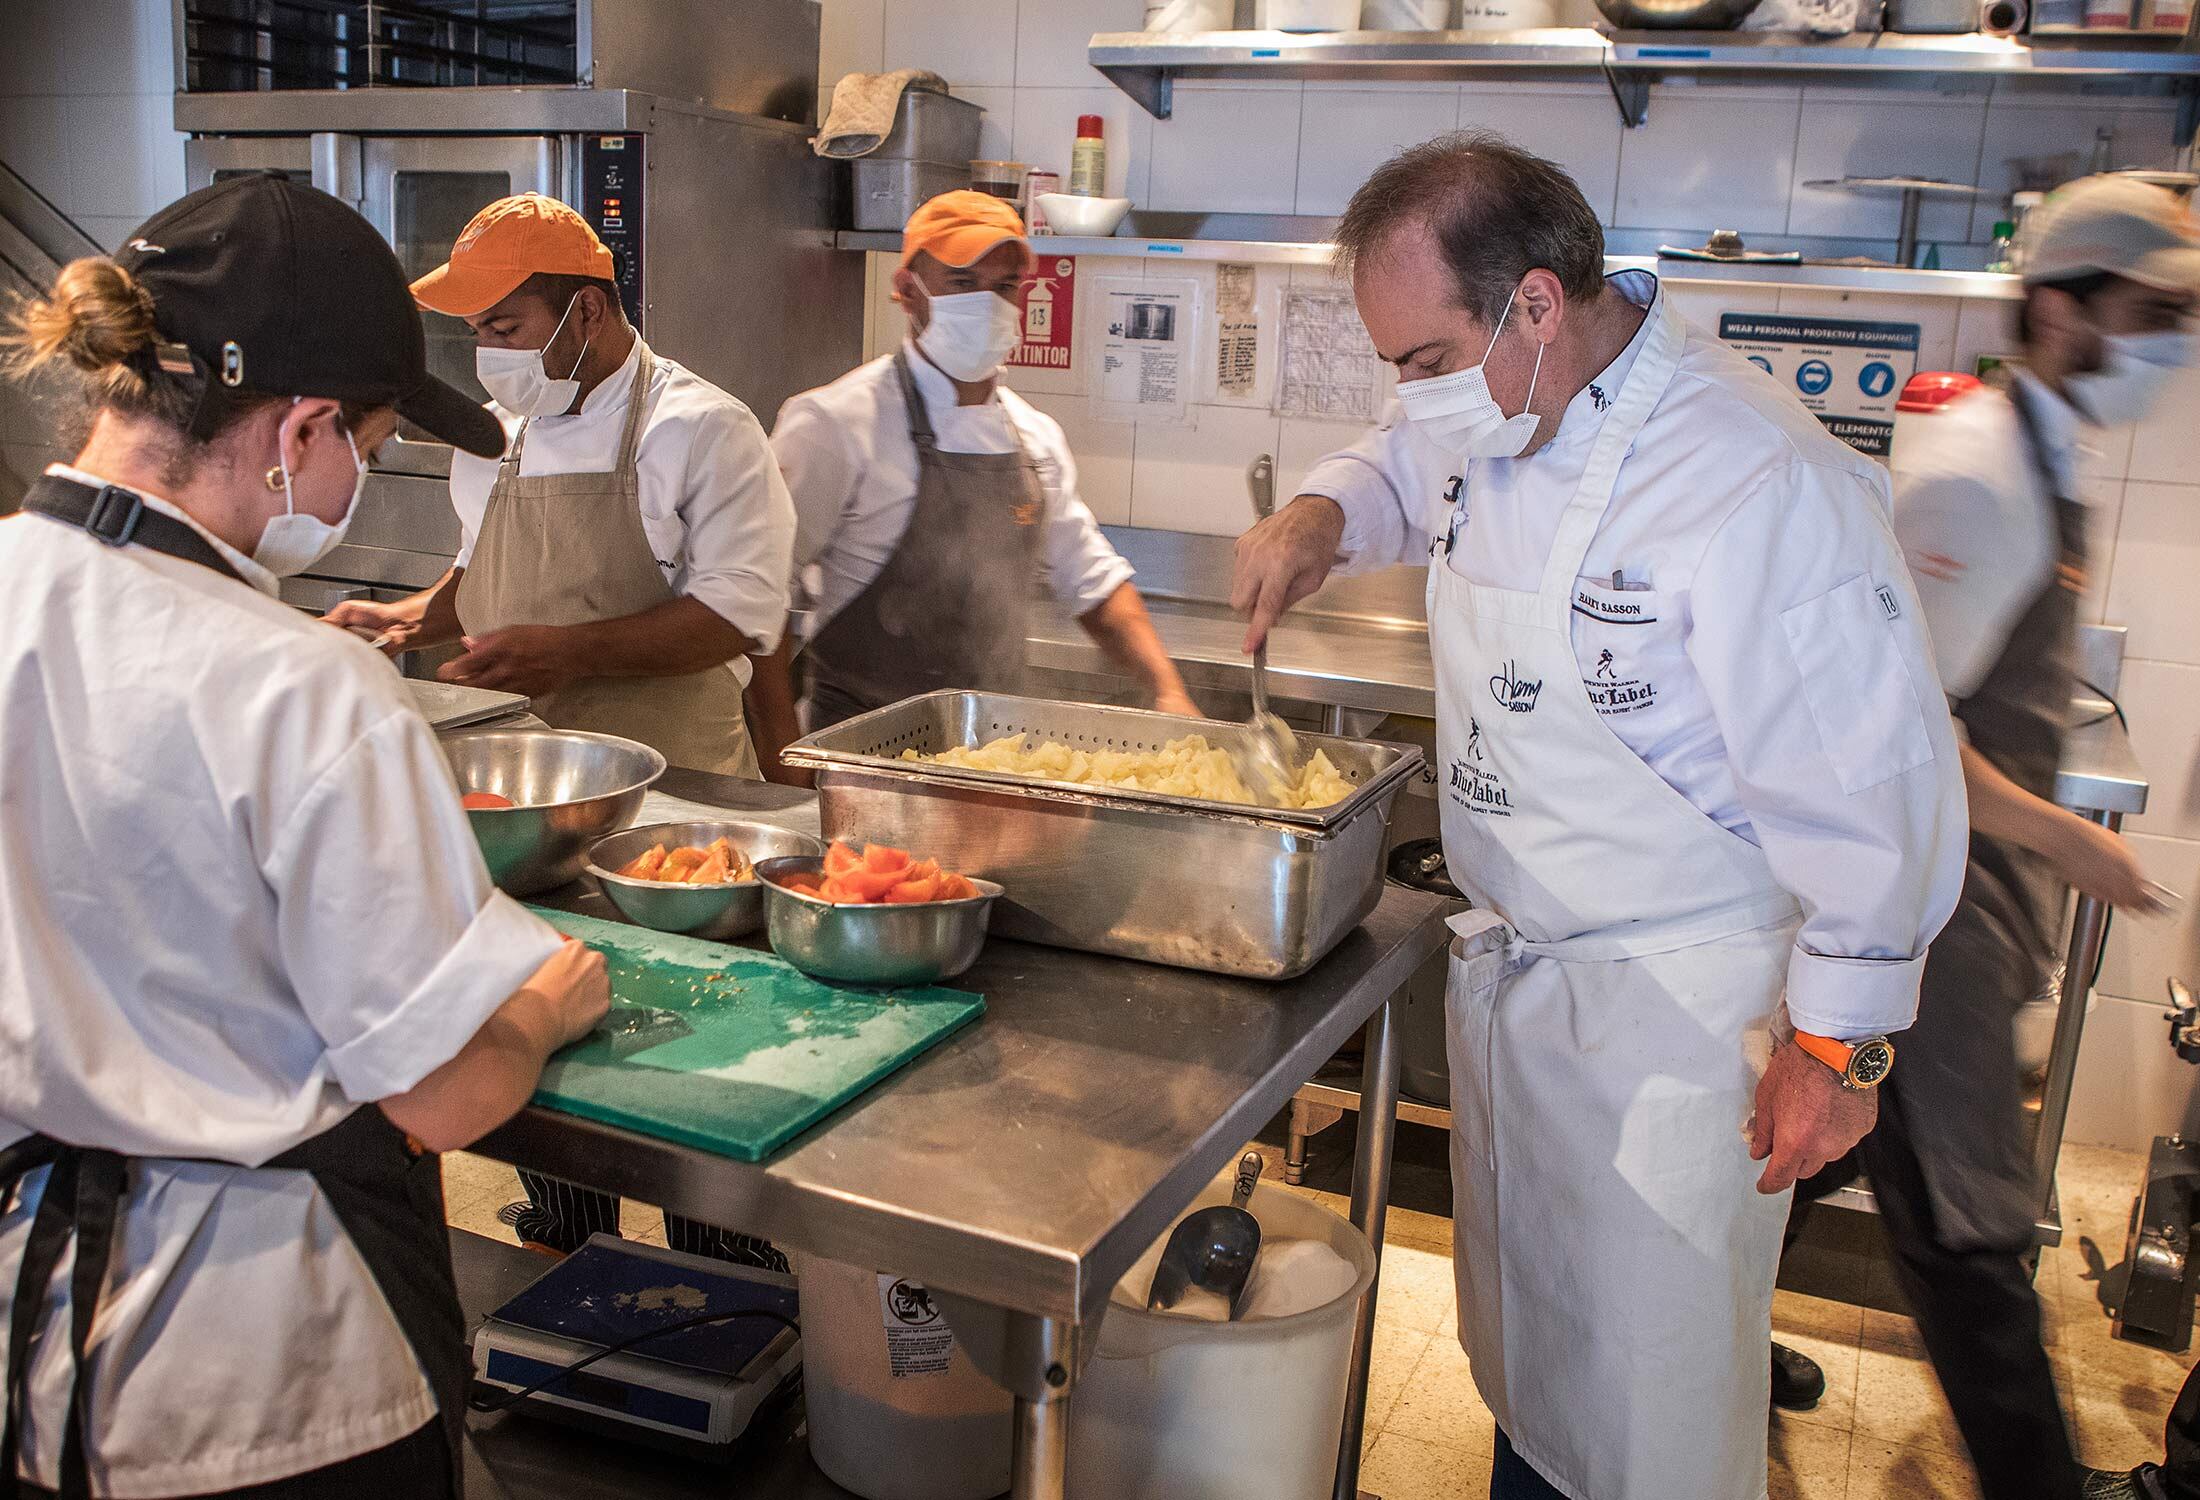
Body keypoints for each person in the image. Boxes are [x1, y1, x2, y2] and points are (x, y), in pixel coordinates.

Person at [1232, 133, 1968, 1500]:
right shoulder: (1497, 404)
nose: (1410, 396)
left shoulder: (1756, 480)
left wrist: (1835, 1049)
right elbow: (1402, 459)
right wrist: (1327, 513)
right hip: (1529, 1001)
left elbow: (1877, 793)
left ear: (1535, 302)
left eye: (1422, 360)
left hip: (1680, 1038)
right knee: (1539, 1378)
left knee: (1650, 1421)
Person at [0, 175, 608, 1496]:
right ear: (304, 429)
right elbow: (441, 1093)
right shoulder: (304, 687)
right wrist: (543, 1009)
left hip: (32, 1348)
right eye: (368, 448)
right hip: (269, 1383)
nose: (351, 481)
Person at [1802, 174, 2193, 1500]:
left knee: (1812, 1151)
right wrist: (2064, 839)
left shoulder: (2040, 447)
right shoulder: (1975, 476)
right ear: (2060, 306)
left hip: (1977, 888)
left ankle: (1711, 1330)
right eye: (2156, 313)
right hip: (1936, 910)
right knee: (1967, 1225)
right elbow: (1895, 726)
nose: (2174, 343)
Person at [327, 193, 794, 781]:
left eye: (505, 329)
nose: (488, 355)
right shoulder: (493, 433)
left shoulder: (703, 429)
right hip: (531, 780)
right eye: (476, 333)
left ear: (588, 312)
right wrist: (404, 621)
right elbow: (479, 572)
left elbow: (738, 617)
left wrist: (573, 653)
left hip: (679, 786)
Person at [753, 190, 1194, 760]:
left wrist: (1167, 689)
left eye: (1004, 285)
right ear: (909, 292)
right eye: (962, 283)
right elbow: (756, 596)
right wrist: (779, 759)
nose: (987, 303)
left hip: (992, 765)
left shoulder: (1034, 438)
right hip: (857, 761)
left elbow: (1093, 580)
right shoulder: (834, 423)